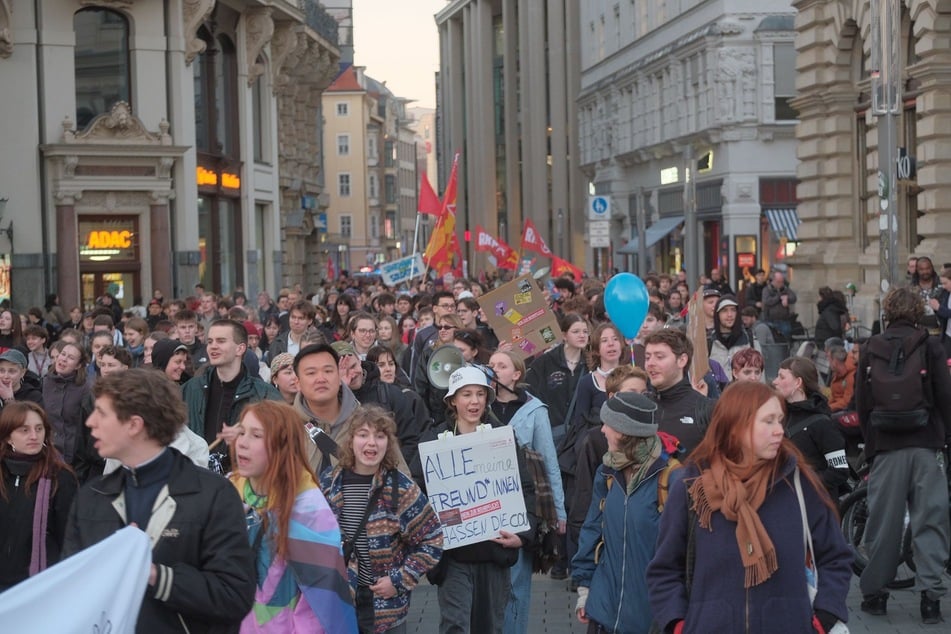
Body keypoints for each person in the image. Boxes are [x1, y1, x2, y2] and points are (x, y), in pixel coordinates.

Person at [647, 381, 852, 634]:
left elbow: (836, 556)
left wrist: (824, 617)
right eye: (768, 421)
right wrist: (677, 624)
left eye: (780, 420)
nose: (779, 430)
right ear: (736, 426)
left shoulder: (799, 483)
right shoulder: (692, 487)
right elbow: (665, 569)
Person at [64, 369, 255, 633]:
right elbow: (72, 592)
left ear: (134, 425)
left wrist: (154, 575)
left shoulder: (214, 494)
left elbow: (234, 596)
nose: (90, 422)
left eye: (102, 414)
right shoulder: (91, 497)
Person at [410, 366, 536, 634]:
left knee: (490, 626)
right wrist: (428, 537)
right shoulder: (434, 441)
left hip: (494, 553)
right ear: (452, 401)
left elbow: (524, 487)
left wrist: (523, 535)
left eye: (480, 394)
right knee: (456, 625)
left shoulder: (502, 437)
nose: (474, 401)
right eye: (466, 394)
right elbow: (416, 493)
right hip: (452, 557)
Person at [856, 286, 951, 623]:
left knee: (884, 524)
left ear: (887, 312)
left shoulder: (870, 347)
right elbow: (944, 395)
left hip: (886, 446)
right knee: (930, 521)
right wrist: (944, 437)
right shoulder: (931, 345)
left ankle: (875, 595)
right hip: (925, 444)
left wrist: (872, 442)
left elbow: (862, 403)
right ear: (917, 313)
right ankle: (930, 600)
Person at [230, 400, 357, 632]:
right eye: (241, 432)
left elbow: (324, 596)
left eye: (256, 435)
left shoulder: (307, 507)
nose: (242, 443)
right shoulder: (227, 492)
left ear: (282, 445)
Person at [321, 406, 443, 633]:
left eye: (379, 436)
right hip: (338, 603)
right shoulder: (330, 483)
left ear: (389, 443)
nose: (371, 443)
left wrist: (399, 580)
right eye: (363, 435)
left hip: (384, 607)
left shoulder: (401, 489)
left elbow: (433, 539)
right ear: (351, 440)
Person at [573, 392, 681, 634]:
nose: (602, 430)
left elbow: (683, 555)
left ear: (624, 432)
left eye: (607, 424)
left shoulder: (672, 479)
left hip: (650, 619)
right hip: (603, 614)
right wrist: (585, 590)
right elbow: (592, 529)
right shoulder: (607, 471)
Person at [488, 350, 565, 634]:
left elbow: (549, 461)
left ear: (516, 374)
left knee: (515, 584)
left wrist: (559, 512)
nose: (494, 369)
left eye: (502, 365)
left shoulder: (534, 410)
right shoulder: (479, 404)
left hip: (523, 504)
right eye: (491, 365)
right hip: (487, 502)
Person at [182, 319, 282, 472]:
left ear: (240, 349)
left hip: (245, 478)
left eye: (221, 341)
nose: (213, 346)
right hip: (197, 478)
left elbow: (283, 441)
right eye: (210, 341)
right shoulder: (190, 389)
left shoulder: (265, 395)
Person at [0, 402, 78, 591]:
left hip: (38, 585)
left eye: (39, 429)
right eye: (24, 430)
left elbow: (69, 536)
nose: (34, 436)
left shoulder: (60, 477)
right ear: (8, 436)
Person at [772, 357, 848, 500]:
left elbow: (839, 471)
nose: (775, 382)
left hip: (816, 505)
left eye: (781, 377)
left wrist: (804, 486)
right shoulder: (780, 417)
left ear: (798, 382)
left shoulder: (823, 423)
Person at [643, 329, 713, 454]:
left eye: (659, 357)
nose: (650, 363)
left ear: (682, 360)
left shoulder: (706, 409)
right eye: (647, 357)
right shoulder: (641, 407)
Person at [42, 341, 92, 475]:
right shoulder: (46, 382)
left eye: (70, 357)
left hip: (74, 455)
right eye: (63, 354)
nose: (63, 359)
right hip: (48, 451)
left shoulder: (86, 388)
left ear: (78, 365)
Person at [707, 295, 756, 383]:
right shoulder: (709, 340)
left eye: (733, 310)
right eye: (724, 310)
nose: (729, 315)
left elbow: (759, 370)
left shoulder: (748, 338)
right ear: (717, 314)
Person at [762, 271, 798, 340]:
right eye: (778, 282)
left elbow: (794, 297)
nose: (780, 284)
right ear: (774, 281)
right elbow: (767, 301)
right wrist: (779, 297)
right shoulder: (767, 290)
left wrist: (787, 298)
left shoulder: (785, 289)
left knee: (787, 338)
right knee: (773, 338)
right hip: (771, 320)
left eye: (782, 282)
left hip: (784, 320)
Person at [825, 346, 856, 412]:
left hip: (846, 411)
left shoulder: (852, 376)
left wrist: (827, 409)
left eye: (829, 359)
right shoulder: (838, 373)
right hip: (837, 408)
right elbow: (834, 395)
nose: (829, 363)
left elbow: (847, 402)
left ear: (835, 361)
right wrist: (825, 406)